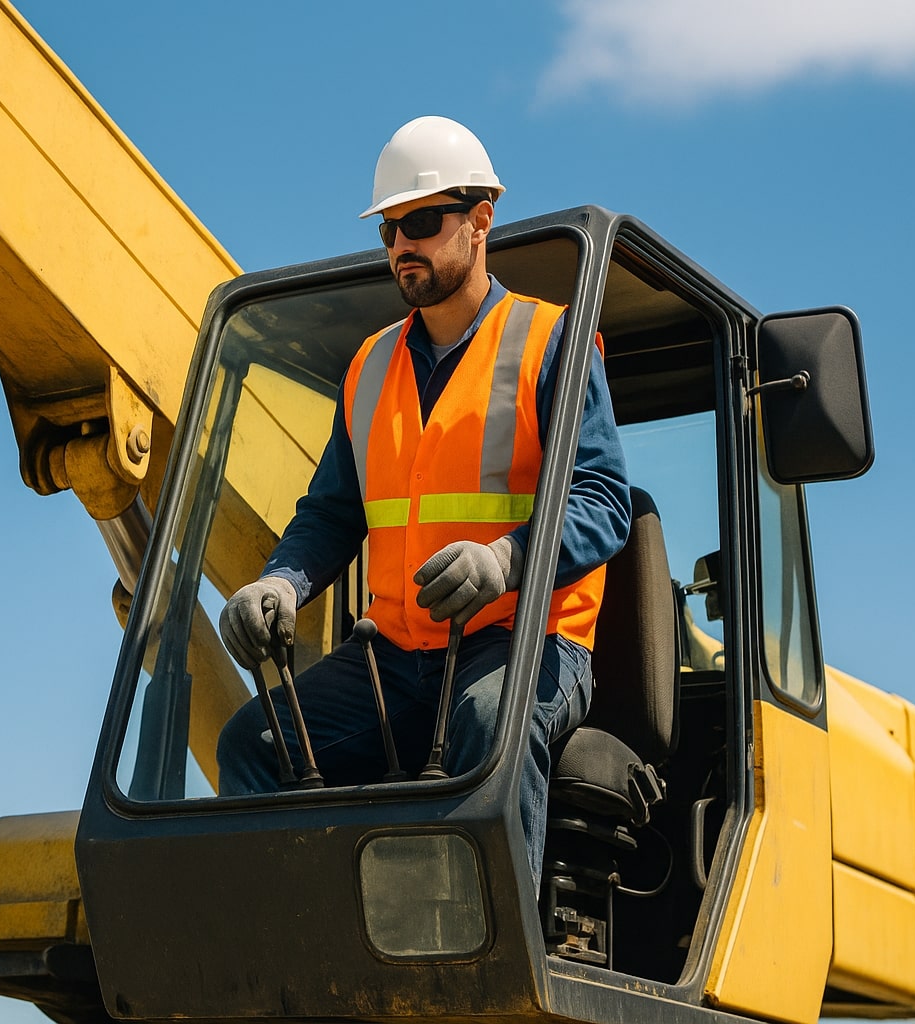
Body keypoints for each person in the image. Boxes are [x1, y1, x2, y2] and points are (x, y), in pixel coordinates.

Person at [214, 115, 630, 891]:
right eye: (390, 229)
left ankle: (492, 986)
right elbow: (333, 513)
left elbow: (603, 500)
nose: (403, 243)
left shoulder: (554, 342)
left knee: (485, 720)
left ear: (480, 221)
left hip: (527, 642)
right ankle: (296, 957)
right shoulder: (370, 366)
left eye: (423, 221)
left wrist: (505, 559)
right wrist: (280, 583)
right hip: (398, 656)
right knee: (252, 745)